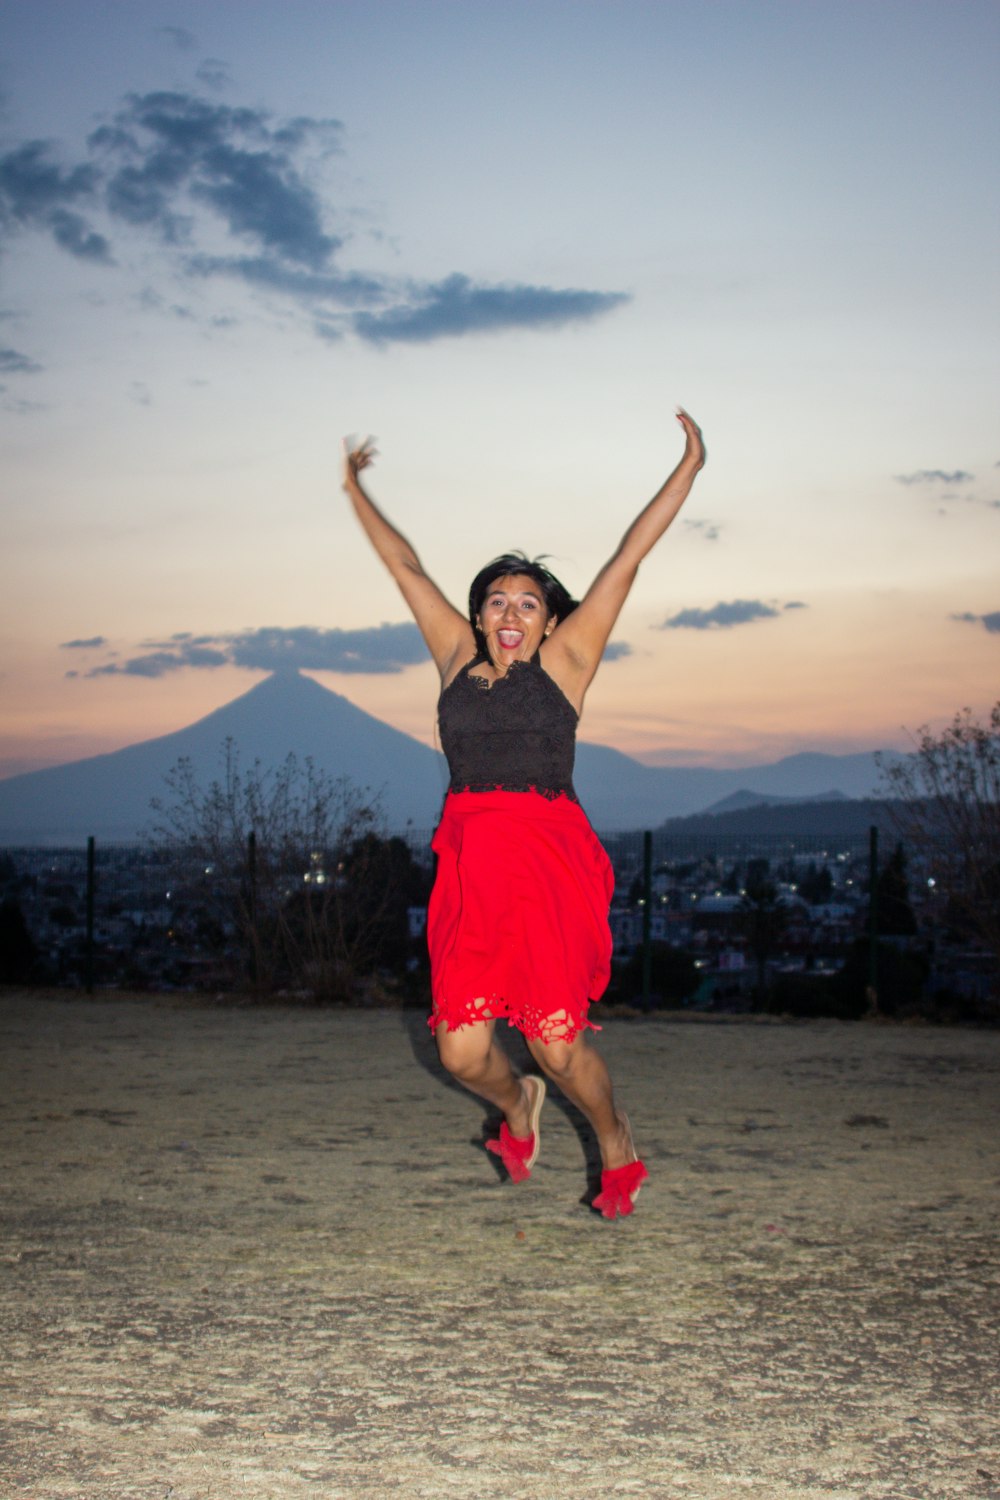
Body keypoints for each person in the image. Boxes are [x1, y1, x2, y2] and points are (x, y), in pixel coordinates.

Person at [343, 411, 705, 1218]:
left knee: (556, 1041)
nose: (511, 614)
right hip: (472, 863)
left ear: (549, 618)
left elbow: (628, 557)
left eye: (529, 603)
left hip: (545, 860)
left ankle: (614, 1135)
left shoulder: (569, 663)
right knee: (461, 1050)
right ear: (478, 616)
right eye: (497, 601)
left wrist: (692, 464)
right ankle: (517, 1106)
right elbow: (404, 566)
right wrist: (352, 487)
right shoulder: (453, 659)